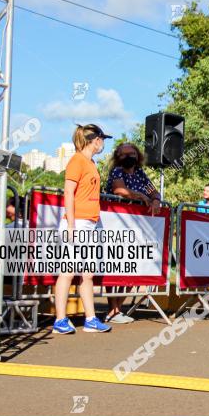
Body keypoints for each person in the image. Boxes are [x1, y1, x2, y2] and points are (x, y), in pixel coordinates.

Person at [52, 124, 112, 334]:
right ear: (95, 140)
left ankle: (91, 318)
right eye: (102, 139)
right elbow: (68, 192)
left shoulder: (91, 163)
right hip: (77, 223)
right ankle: (60, 319)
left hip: (90, 223)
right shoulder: (77, 160)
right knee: (68, 272)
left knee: (87, 274)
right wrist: (70, 225)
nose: (103, 143)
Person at [104, 142, 162, 324]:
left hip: (136, 226)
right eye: (124, 153)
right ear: (118, 156)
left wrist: (155, 200)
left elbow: (155, 192)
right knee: (116, 266)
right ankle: (112, 310)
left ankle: (117, 310)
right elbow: (119, 190)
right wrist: (139, 195)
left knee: (132, 266)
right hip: (116, 224)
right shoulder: (117, 171)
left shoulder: (140, 174)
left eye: (132, 153)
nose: (129, 156)